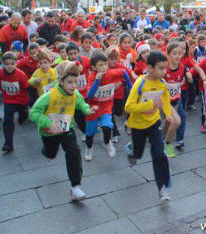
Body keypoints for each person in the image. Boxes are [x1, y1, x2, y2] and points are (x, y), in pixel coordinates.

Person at [29, 61, 98, 202]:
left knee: (74, 151)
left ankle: (76, 187)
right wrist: (49, 123)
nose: (74, 86)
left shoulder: (75, 94)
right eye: (70, 82)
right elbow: (34, 113)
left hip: (66, 129)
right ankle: (46, 152)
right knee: (50, 153)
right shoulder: (48, 96)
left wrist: (88, 110)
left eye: (76, 82)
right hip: (49, 132)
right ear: (60, 81)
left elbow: (81, 104)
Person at [125, 51, 173, 201]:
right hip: (138, 126)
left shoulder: (162, 83)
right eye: (161, 68)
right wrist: (150, 104)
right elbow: (129, 107)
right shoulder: (140, 83)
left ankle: (163, 187)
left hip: (154, 123)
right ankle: (132, 152)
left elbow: (165, 98)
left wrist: (167, 113)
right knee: (138, 154)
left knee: (159, 154)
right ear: (149, 68)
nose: (164, 71)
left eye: (166, 68)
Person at [85, 51, 131, 161]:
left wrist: (130, 86)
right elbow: (90, 95)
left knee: (107, 126)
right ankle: (89, 148)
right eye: (100, 65)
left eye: (105, 64)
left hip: (106, 106)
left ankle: (107, 142)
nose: (104, 67)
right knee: (90, 133)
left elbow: (124, 72)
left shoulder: (111, 73)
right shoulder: (92, 77)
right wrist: (97, 81)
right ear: (93, 67)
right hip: (93, 109)